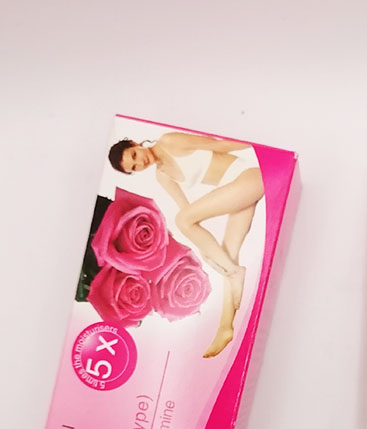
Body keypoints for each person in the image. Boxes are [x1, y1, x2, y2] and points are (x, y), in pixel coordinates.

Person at [109, 132, 264, 358]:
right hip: (236, 191)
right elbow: (186, 208)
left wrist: (263, 148)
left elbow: (220, 145)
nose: (140, 163)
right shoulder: (162, 176)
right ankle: (225, 327)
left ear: (135, 144)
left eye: (134, 155)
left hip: (247, 176)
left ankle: (235, 272)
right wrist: (203, 246)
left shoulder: (169, 141)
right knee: (226, 256)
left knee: (183, 221)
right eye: (134, 167)